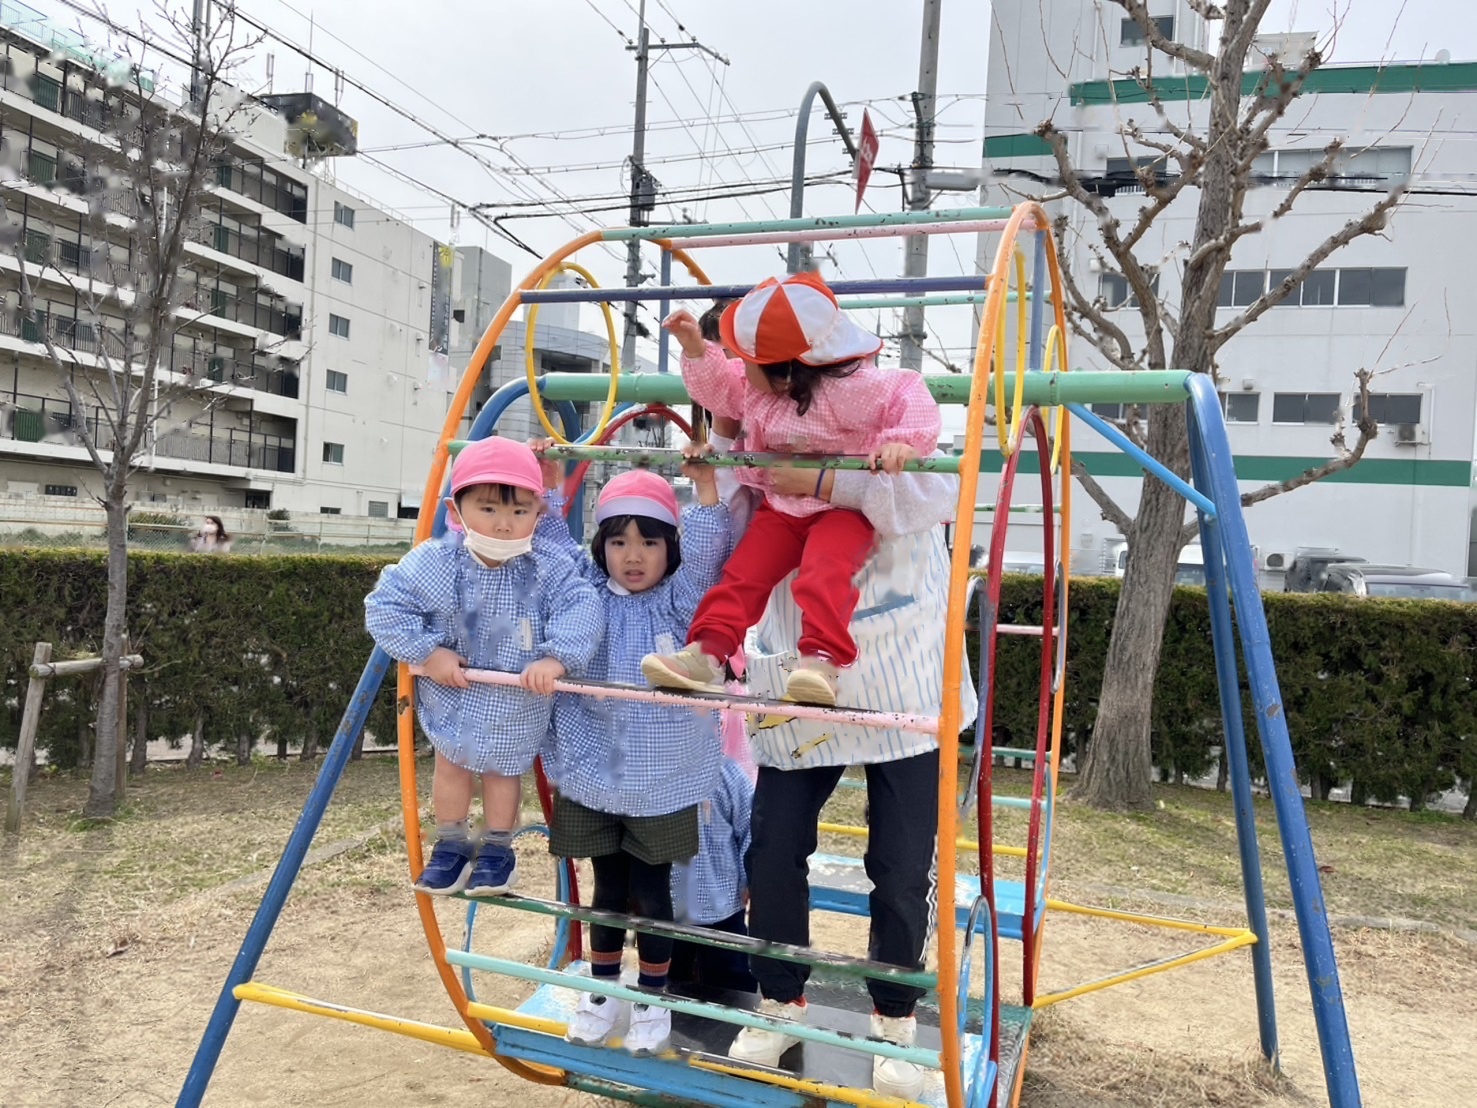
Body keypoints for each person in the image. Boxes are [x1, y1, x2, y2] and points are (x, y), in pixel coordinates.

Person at [707, 410, 974, 1101]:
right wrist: (724, 426)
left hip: (903, 678)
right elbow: (728, 487)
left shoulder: (889, 421)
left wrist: (830, 481)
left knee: (900, 865)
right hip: (799, 678)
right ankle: (779, 1002)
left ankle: (894, 1021)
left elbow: (937, 494)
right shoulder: (772, 436)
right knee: (773, 848)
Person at [642, 271, 942, 707]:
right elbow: (722, 387)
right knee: (743, 574)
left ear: (785, 375)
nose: (739, 369)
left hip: (841, 509)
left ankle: (821, 660)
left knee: (824, 571)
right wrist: (695, 349)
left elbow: (907, 392)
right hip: (782, 508)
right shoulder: (758, 389)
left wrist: (903, 441)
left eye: (746, 362)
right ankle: (708, 651)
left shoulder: (852, 390)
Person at [533, 442, 731, 1057]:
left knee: (653, 894)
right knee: (605, 891)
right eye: (618, 542)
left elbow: (707, 558)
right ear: (602, 548)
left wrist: (705, 490)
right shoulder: (586, 595)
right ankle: (602, 992)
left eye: (649, 541)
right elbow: (551, 549)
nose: (634, 556)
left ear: (670, 546)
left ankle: (652, 996)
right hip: (593, 773)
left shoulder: (678, 601)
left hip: (664, 780)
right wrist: (548, 487)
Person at [365, 437, 602, 899]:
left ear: (538, 512)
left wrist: (556, 657)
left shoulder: (548, 566)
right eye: (488, 509)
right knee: (451, 766)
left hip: (516, 701)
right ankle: (451, 845)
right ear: (456, 511)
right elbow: (384, 607)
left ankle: (497, 850)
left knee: (502, 774)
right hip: (454, 694)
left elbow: (582, 609)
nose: (504, 524)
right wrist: (427, 653)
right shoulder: (438, 561)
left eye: (519, 511)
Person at [668, 749, 757, 996]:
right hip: (670, 906)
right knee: (670, 986)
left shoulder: (728, 773)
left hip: (722, 904)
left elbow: (750, 830)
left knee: (732, 988)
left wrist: (749, 879)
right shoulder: (652, 770)